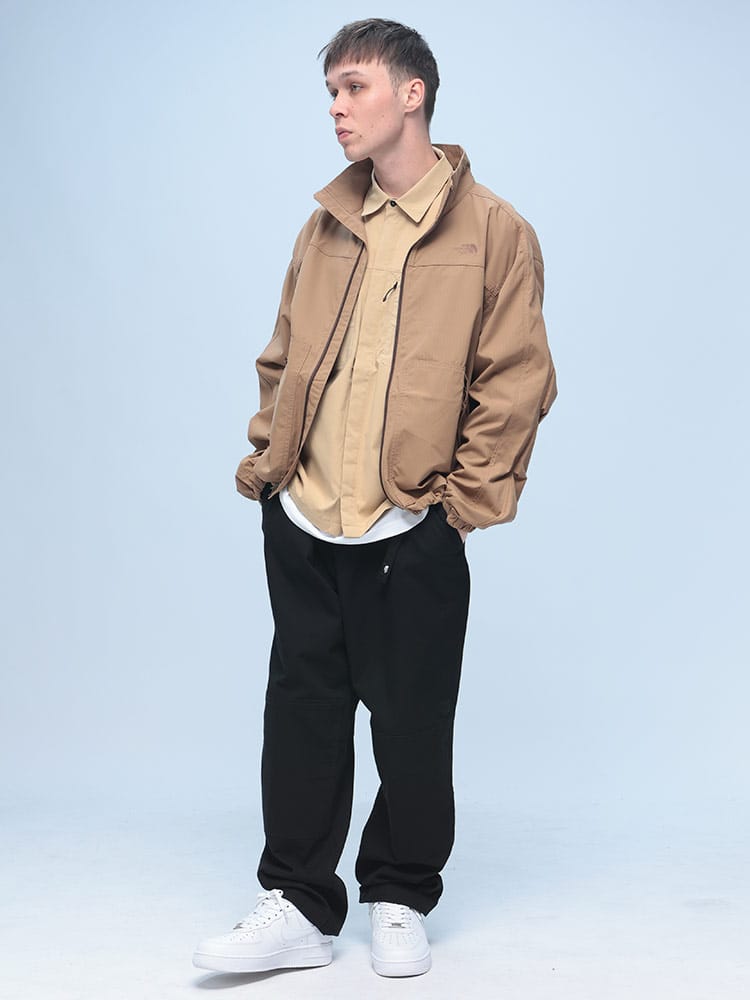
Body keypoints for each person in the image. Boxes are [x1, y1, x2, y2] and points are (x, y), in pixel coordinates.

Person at [193, 17, 556, 979]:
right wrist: (268, 469)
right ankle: (299, 903)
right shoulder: (325, 225)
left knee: (411, 719)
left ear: (412, 93)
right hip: (307, 512)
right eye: (332, 92)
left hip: (412, 525)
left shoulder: (496, 231)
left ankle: (399, 893)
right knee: (302, 712)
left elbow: (516, 382)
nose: (337, 109)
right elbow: (283, 354)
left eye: (354, 87)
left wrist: (458, 512)